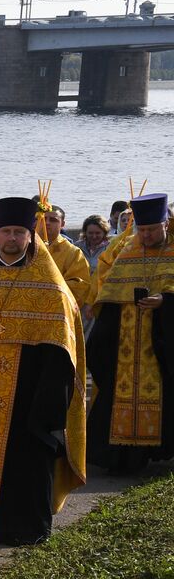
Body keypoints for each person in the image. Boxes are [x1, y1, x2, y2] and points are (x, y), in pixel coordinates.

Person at [0, 197, 86, 545]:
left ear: (31, 235)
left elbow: (62, 348)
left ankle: (29, 529)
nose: (12, 239)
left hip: (32, 390)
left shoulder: (49, 284)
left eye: (20, 232)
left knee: (28, 461)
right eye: (6, 232)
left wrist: (49, 405)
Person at [87, 193, 174, 473]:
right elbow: (110, 295)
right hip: (127, 342)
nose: (146, 236)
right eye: (142, 230)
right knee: (119, 392)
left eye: (152, 230)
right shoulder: (128, 252)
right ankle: (123, 458)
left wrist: (166, 301)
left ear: (165, 224)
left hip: (162, 342)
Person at [37, 199, 94, 306]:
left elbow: (80, 286)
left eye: (53, 220)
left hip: (58, 307)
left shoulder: (72, 252)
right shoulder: (27, 247)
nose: (47, 223)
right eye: (43, 219)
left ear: (62, 224)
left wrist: (47, 288)